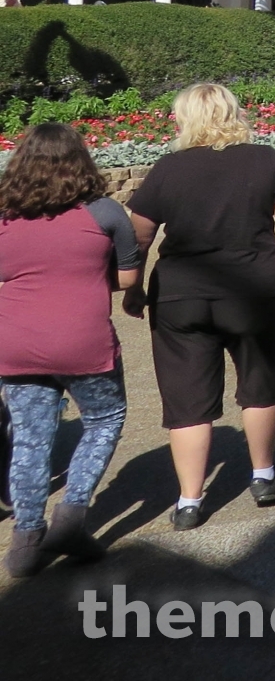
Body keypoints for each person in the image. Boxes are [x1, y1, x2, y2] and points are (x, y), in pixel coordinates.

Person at [124, 84, 275, 531]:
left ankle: (189, 501)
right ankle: (264, 477)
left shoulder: (167, 168)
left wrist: (133, 288)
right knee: (259, 382)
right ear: (234, 114)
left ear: (185, 119)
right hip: (252, 291)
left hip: (179, 297)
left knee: (187, 399)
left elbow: (139, 236)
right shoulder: (266, 160)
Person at [0, 124, 140, 578]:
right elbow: (128, 278)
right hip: (83, 340)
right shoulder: (105, 212)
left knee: (30, 438)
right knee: (104, 419)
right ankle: (70, 518)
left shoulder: (4, 216)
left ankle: (25, 541)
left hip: (16, 343)